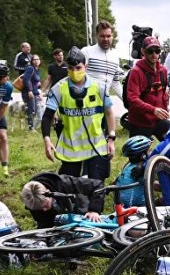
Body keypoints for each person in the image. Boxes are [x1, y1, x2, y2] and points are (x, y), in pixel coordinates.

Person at [41, 47, 117, 181]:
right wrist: (47, 139)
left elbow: (110, 112)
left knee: (96, 188)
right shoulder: (58, 89)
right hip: (71, 149)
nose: (74, 71)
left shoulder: (99, 87)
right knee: (68, 189)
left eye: (78, 68)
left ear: (86, 66)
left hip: (96, 147)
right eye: (70, 68)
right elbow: (47, 116)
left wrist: (111, 138)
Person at [126, 36, 170, 141]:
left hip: (158, 120)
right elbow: (132, 98)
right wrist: (153, 110)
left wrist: (165, 108)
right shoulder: (136, 72)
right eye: (150, 51)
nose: (154, 54)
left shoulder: (163, 70)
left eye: (157, 51)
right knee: (138, 156)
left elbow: (163, 92)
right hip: (140, 123)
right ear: (143, 51)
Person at [21, 172, 106, 228]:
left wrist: (94, 210)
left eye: (45, 205)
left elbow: (97, 185)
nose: (44, 210)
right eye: (39, 209)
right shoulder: (32, 201)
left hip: (80, 210)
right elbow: (44, 223)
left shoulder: (63, 183)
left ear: (48, 192)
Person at [83, 20, 124, 99]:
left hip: (104, 103)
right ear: (96, 35)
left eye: (108, 36)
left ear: (112, 36)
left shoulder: (114, 58)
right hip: (86, 102)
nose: (106, 39)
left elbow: (115, 83)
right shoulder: (86, 52)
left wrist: (129, 103)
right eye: (102, 36)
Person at [115, 136, 153, 208]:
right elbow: (151, 184)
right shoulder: (140, 170)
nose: (151, 151)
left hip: (119, 202)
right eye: (149, 150)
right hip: (134, 206)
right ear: (143, 156)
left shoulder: (128, 165)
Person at [22, 54, 42, 131]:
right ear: (32, 61)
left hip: (34, 92)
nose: (36, 61)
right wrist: (29, 90)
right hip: (28, 92)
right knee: (31, 109)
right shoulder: (30, 68)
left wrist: (38, 93)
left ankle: (31, 126)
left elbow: (35, 82)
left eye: (38, 59)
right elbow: (26, 79)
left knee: (35, 110)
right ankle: (31, 128)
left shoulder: (37, 70)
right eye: (34, 59)